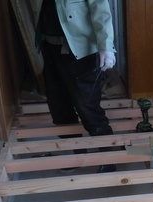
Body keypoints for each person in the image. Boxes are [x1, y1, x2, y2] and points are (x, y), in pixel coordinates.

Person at [36, 0, 117, 173]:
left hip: (81, 51)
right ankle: (75, 153)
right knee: (59, 106)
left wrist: (106, 46)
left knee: (87, 107)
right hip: (51, 49)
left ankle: (108, 155)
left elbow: (101, 11)